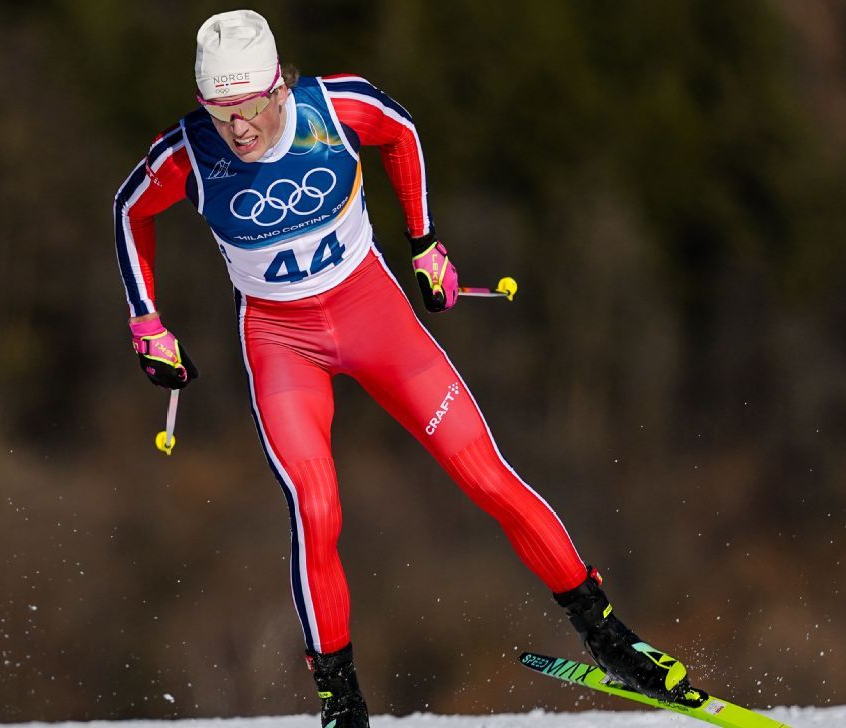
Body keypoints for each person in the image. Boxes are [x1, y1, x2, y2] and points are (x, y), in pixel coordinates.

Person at [113, 10, 704, 727]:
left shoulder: (335, 108)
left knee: (485, 474)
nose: (238, 129)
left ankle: (610, 639)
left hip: (372, 315)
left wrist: (424, 242)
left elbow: (401, 132)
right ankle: (341, 699)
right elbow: (129, 210)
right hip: (280, 339)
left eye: (250, 109)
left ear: (279, 87)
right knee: (316, 509)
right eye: (219, 112)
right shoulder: (187, 152)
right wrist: (146, 321)